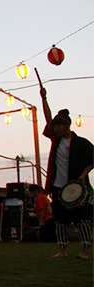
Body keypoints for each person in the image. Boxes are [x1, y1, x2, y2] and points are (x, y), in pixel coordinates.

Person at [40, 87, 93, 259]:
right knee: (60, 220)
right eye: (55, 126)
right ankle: (62, 250)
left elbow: (93, 160)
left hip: (76, 186)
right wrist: (44, 98)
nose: (56, 128)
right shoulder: (56, 140)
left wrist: (84, 174)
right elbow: (47, 117)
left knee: (82, 219)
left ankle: (85, 250)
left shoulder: (82, 143)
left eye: (59, 125)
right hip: (58, 186)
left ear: (67, 125)